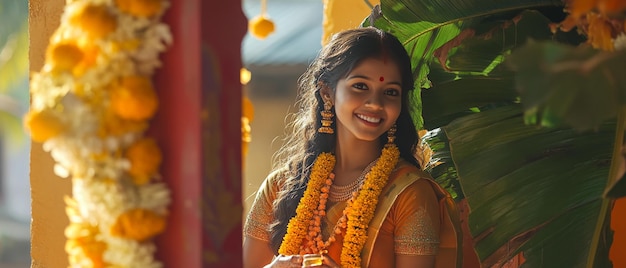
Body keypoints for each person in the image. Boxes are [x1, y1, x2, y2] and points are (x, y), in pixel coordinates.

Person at [243, 27, 461, 268]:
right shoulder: (281, 187)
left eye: (390, 92)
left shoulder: (410, 193)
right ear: (327, 92)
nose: (375, 104)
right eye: (360, 86)